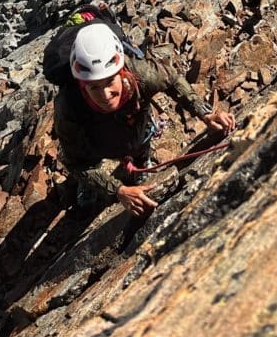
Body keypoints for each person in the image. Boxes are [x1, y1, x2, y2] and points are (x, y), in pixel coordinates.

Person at [53, 23, 235, 217]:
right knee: (87, 158)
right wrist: (117, 190)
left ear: (121, 71)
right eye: (94, 87)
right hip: (93, 142)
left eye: (109, 81)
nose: (105, 95)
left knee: (140, 142)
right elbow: (75, 163)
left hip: (135, 126)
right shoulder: (69, 106)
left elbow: (171, 79)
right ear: (82, 86)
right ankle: (92, 183)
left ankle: (140, 164)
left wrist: (205, 113)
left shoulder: (141, 75)